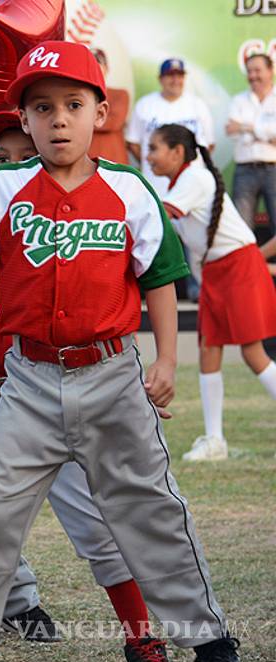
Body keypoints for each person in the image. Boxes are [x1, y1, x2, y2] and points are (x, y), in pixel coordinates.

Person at [0, 41, 243, 662]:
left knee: (151, 509)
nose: (59, 118)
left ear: (99, 113)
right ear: (25, 121)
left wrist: (166, 362)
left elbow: (161, 277)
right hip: (26, 380)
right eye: (42, 107)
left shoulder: (128, 188)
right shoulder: (3, 188)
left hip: (111, 373)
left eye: (73, 105)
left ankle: (207, 638)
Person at [0, 110, 175, 662]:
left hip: (65, 391)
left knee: (100, 529)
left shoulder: (73, 225)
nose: (13, 167)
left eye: (18, 155)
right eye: (2, 159)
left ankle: (142, 640)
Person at [147, 123, 276, 461]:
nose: (148, 156)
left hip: (239, 267)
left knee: (253, 353)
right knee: (208, 349)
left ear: (177, 152)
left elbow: (160, 214)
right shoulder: (185, 181)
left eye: (154, 148)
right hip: (220, 270)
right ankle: (214, 440)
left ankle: (215, 439)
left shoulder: (194, 178)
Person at [126, 58, 215, 185]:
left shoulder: (198, 105)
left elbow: (209, 144)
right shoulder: (145, 105)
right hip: (154, 181)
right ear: (160, 79)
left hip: (191, 181)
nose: (175, 80)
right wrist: (154, 162)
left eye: (180, 75)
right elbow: (133, 143)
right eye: (170, 75)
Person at [225, 53, 276, 237]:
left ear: (270, 71)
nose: (253, 75)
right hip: (245, 171)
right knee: (241, 230)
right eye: (249, 71)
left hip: (273, 169)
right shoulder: (238, 100)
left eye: (257, 70)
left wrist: (249, 128)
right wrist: (267, 133)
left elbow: (240, 130)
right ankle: (246, 267)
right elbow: (232, 132)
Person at [89, 48, 131, 164]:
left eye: (98, 63)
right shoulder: (75, 96)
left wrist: (79, 121)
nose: (94, 67)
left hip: (114, 165)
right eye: (90, 64)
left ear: (106, 68)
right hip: (85, 166)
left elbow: (113, 122)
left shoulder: (120, 94)